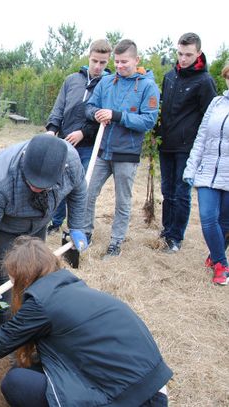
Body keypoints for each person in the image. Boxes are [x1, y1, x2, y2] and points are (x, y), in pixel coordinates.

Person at [0, 236, 173, 407]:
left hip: (135, 398)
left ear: (24, 276)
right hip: (152, 385)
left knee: (16, 382)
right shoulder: (71, 288)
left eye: (12, 277)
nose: (11, 282)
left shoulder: (41, 303)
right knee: (31, 364)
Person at [0, 135, 88, 329]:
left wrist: (76, 226)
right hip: (5, 230)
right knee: (6, 287)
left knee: (37, 276)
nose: (36, 187)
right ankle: (5, 337)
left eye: (44, 185)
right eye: (32, 182)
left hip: (39, 225)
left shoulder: (71, 162)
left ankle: (32, 328)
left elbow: (79, 190)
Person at [85, 39, 160, 258]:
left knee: (122, 201)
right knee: (87, 193)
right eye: (116, 62)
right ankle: (85, 233)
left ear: (136, 60)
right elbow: (89, 107)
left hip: (126, 154)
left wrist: (117, 116)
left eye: (124, 62)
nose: (119, 66)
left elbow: (148, 121)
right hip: (102, 151)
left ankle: (116, 243)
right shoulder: (106, 82)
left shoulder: (147, 86)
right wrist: (95, 114)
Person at [157, 33, 217, 253]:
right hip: (166, 144)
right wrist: (157, 131)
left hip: (188, 146)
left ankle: (175, 237)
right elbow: (162, 108)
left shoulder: (205, 81)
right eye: (180, 54)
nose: (183, 59)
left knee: (182, 192)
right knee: (166, 190)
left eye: (188, 55)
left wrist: (201, 149)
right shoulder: (169, 77)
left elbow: (209, 117)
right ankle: (166, 229)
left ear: (198, 53)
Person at [45, 39, 112, 235]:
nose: (98, 66)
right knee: (57, 183)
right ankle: (55, 222)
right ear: (88, 56)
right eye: (94, 61)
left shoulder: (108, 84)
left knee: (80, 187)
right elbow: (59, 107)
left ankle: (76, 227)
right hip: (65, 143)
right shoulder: (72, 80)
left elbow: (101, 117)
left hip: (88, 146)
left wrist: (83, 133)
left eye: (103, 62)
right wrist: (52, 129)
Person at [183, 64, 229, 286]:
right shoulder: (217, 103)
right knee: (208, 218)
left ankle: (214, 255)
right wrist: (191, 167)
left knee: (225, 222)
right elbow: (201, 137)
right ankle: (221, 264)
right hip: (208, 171)